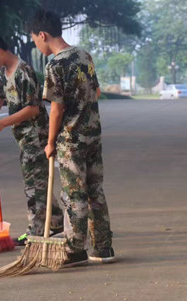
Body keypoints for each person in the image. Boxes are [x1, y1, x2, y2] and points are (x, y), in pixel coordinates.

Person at [27, 10, 114, 266]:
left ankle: (75, 249)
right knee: (95, 190)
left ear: (42, 35)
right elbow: (95, 90)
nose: (36, 44)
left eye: (34, 40)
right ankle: (103, 247)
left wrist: (51, 142)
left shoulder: (55, 64)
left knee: (74, 194)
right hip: (93, 135)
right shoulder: (84, 55)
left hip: (71, 140)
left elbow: (56, 108)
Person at [0, 29, 64, 246]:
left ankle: (35, 230)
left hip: (36, 137)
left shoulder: (24, 72)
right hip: (23, 138)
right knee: (38, 183)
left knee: (34, 186)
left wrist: (1, 123)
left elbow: (33, 109)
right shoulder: (3, 73)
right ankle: (56, 222)